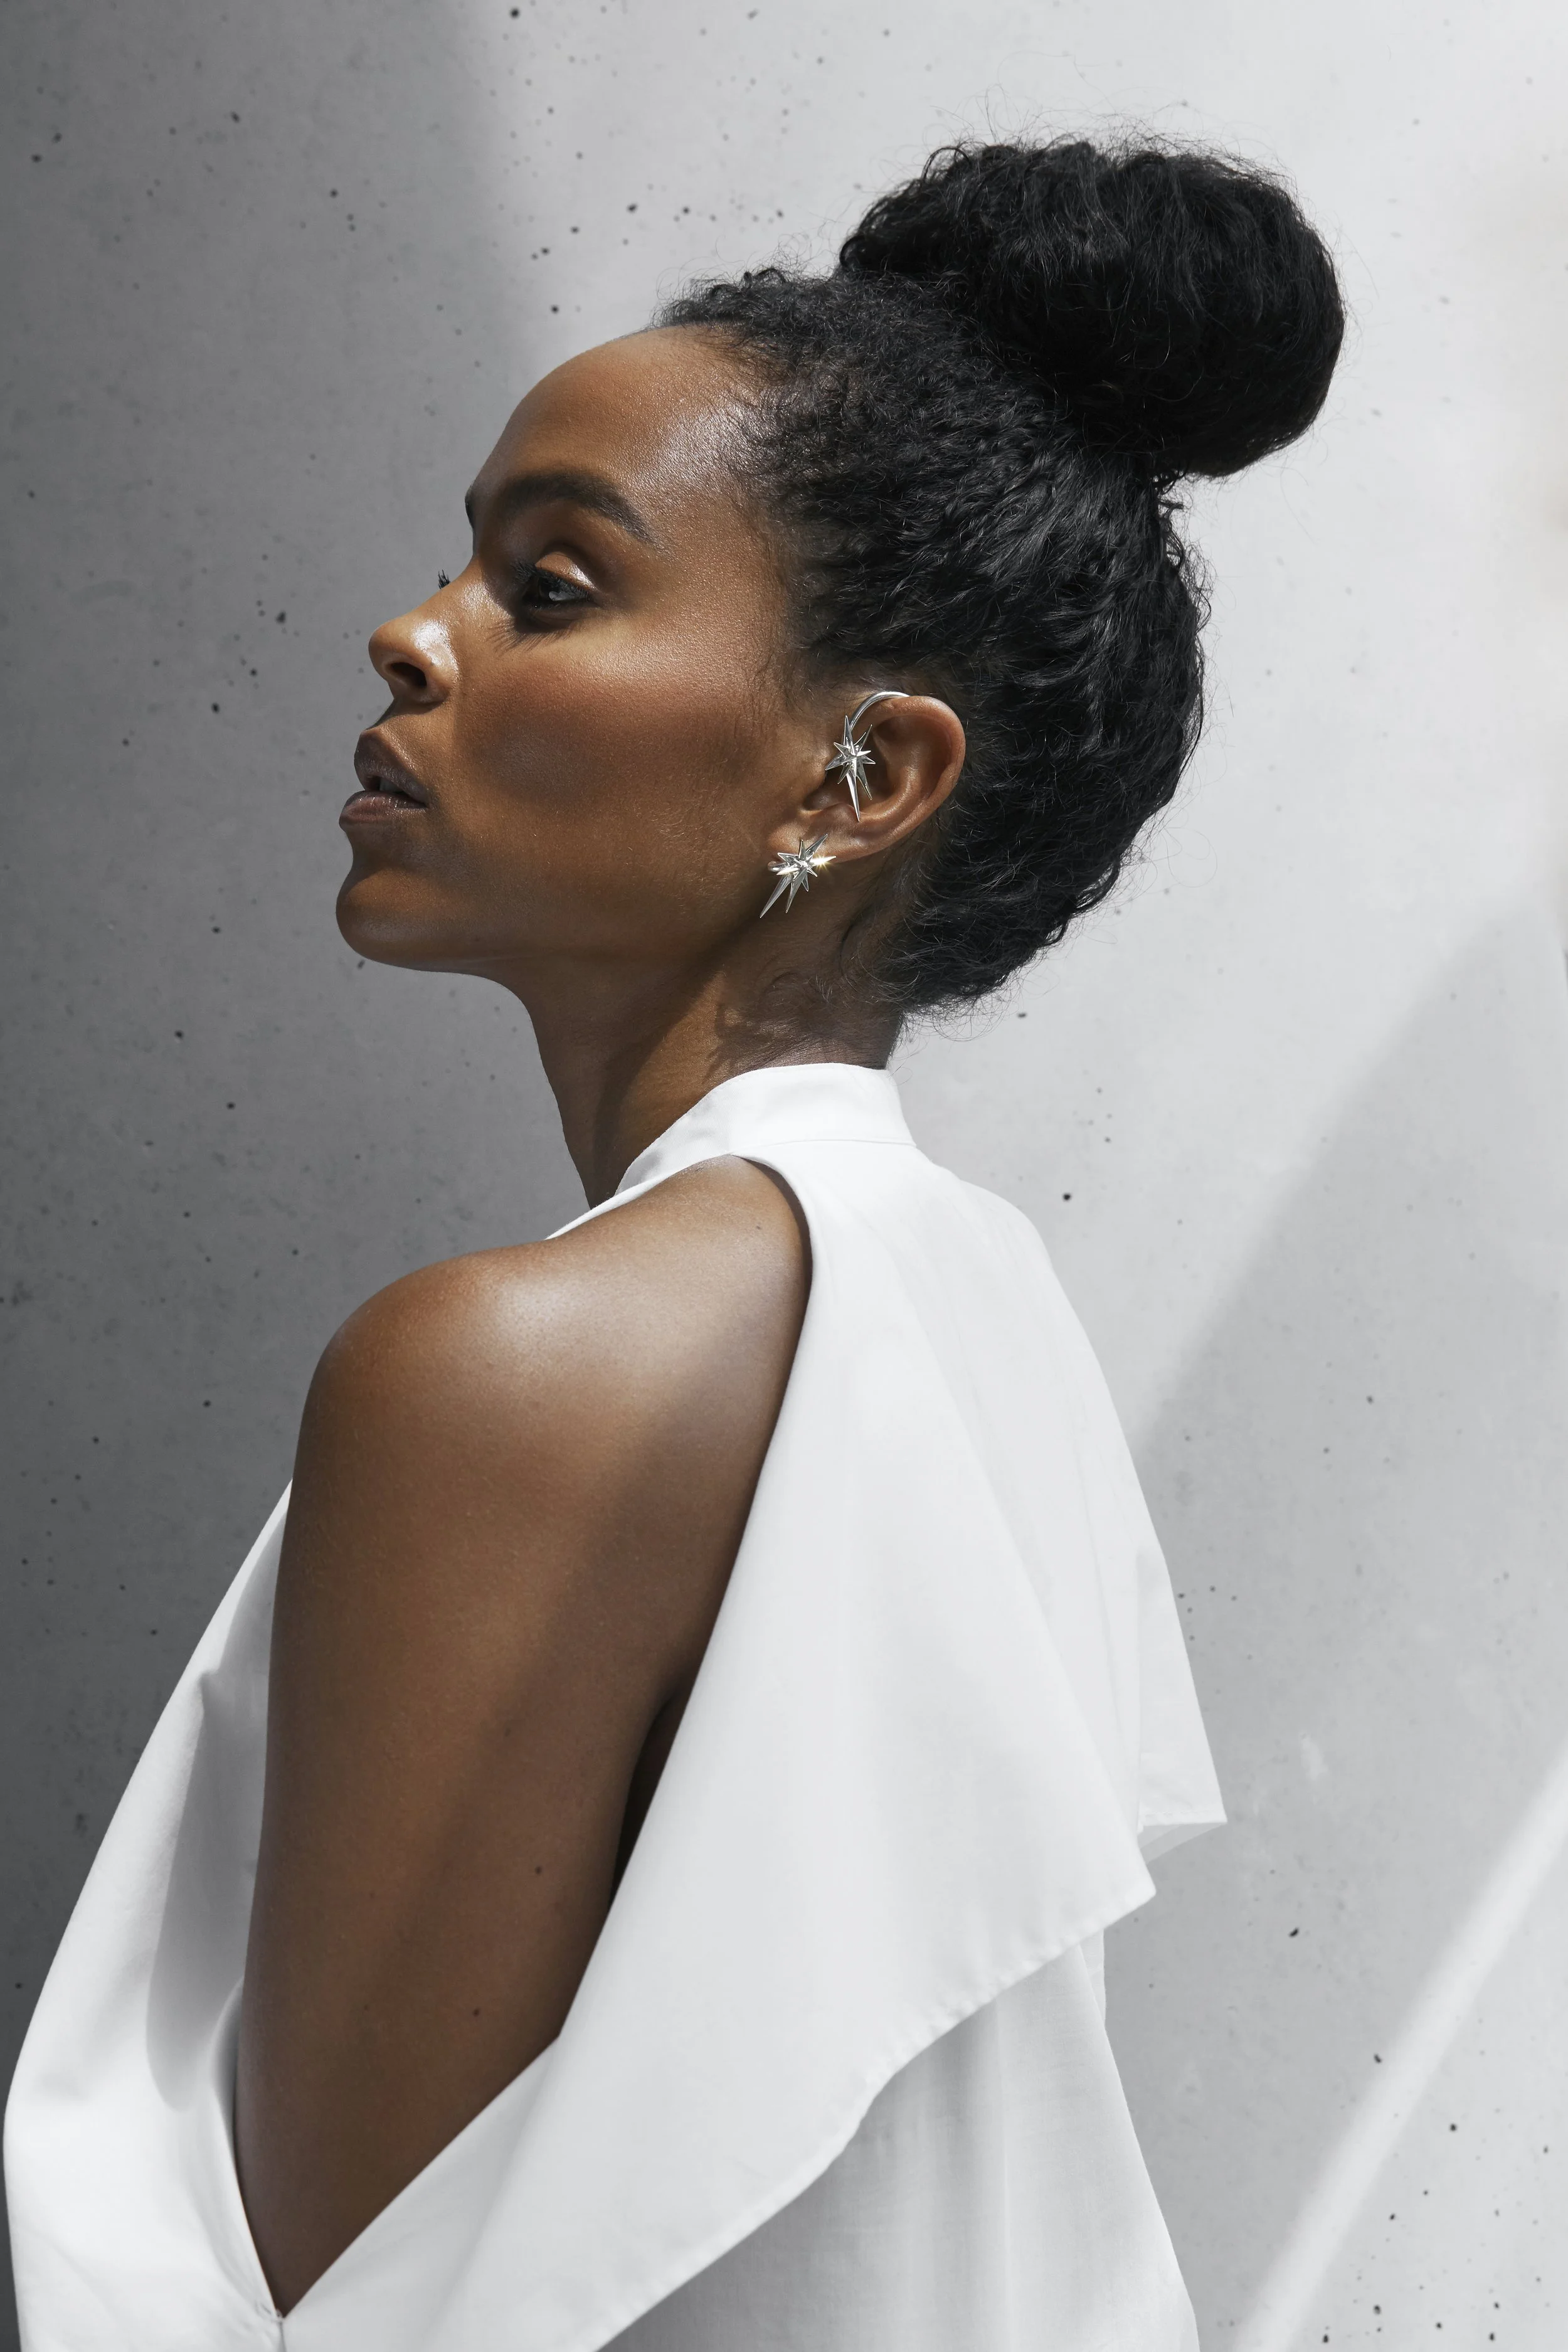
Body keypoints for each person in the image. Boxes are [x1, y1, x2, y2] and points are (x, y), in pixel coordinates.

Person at [4, 135, 1342, 2351]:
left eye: (550, 585)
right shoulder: (962, 1310)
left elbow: (367, 2303)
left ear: (857, 778)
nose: (408, 629)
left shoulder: (518, 1367)